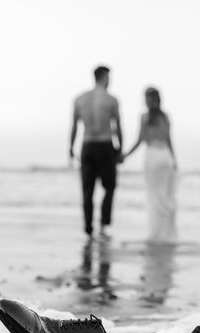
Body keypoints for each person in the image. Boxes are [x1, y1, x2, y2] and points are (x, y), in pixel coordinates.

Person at [69, 65, 123, 240]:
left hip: (87, 145)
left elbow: (74, 126)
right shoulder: (111, 100)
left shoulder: (80, 99)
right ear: (104, 77)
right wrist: (120, 149)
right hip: (105, 145)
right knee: (110, 187)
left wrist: (70, 147)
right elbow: (117, 126)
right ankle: (103, 226)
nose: (110, 81)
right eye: (109, 77)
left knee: (87, 189)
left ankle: (88, 228)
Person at [123, 87, 177, 243]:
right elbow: (169, 140)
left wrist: (126, 155)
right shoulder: (165, 117)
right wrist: (174, 161)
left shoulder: (145, 117)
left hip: (152, 156)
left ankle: (156, 233)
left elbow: (139, 141)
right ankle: (165, 233)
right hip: (165, 157)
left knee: (154, 197)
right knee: (164, 197)